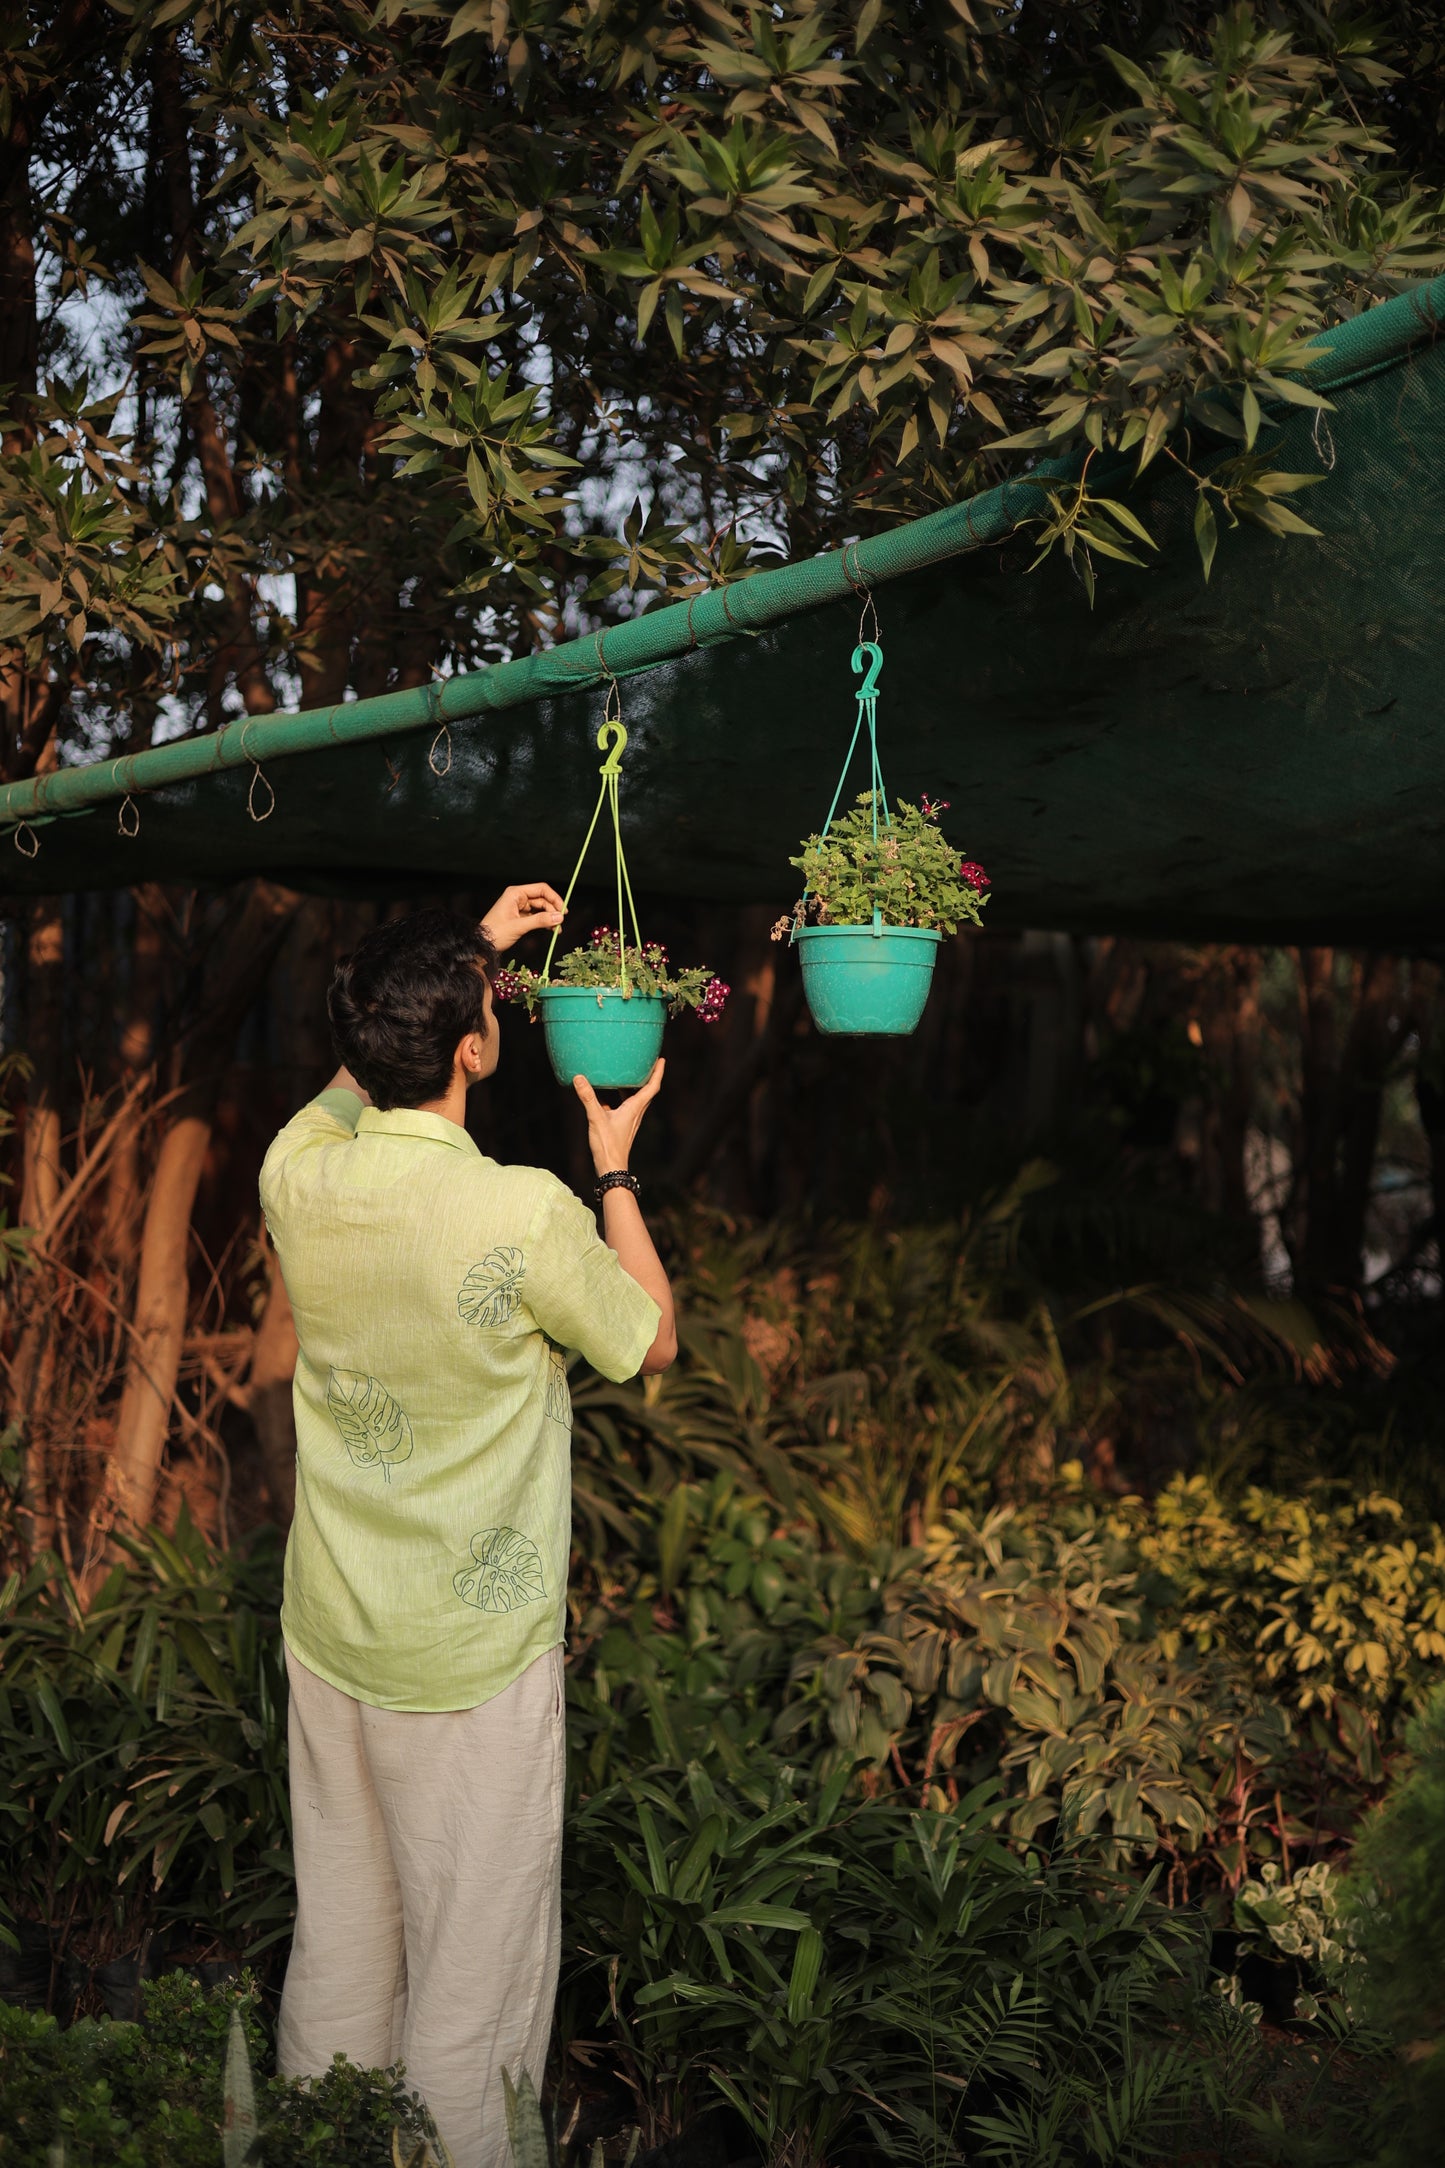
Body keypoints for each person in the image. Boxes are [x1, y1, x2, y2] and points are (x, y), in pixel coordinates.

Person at [259, 886, 676, 2168]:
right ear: (477, 1048)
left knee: (342, 1932)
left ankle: (326, 2143)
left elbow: (357, 1076)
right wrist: (610, 1158)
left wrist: (465, 958)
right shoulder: (522, 1211)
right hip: (472, 1659)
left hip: (333, 1636)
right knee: (472, 1960)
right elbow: (650, 1338)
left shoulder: (298, 1172)